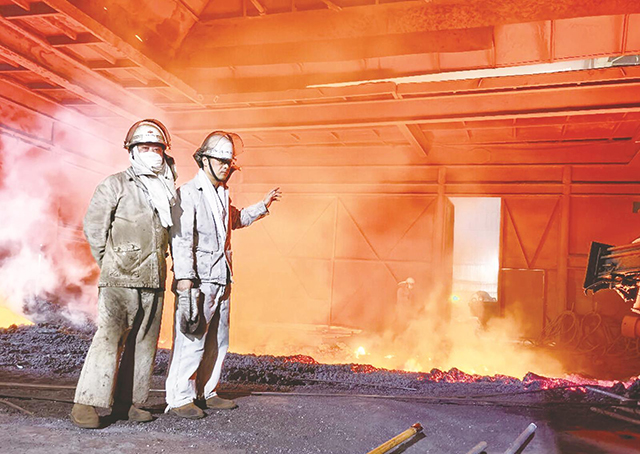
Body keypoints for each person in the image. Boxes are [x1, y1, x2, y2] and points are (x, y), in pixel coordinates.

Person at [165, 131, 281, 419]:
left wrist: (263, 206)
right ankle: (180, 398)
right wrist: (185, 281)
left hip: (222, 278)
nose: (226, 166)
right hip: (198, 281)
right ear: (204, 160)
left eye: (229, 162)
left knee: (218, 341)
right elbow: (181, 240)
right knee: (192, 339)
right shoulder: (188, 194)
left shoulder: (220, 195)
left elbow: (236, 219)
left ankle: (206, 392)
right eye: (220, 161)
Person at [70, 119, 177, 429]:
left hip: (153, 278)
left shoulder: (165, 190)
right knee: (109, 339)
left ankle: (128, 404)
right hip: (120, 279)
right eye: (145, 148)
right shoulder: (115, 184)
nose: (153, 153)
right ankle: (85, 404)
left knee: (144, 343)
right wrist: (112, 263)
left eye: (157, 148)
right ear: (132, 151)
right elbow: (94, 228)